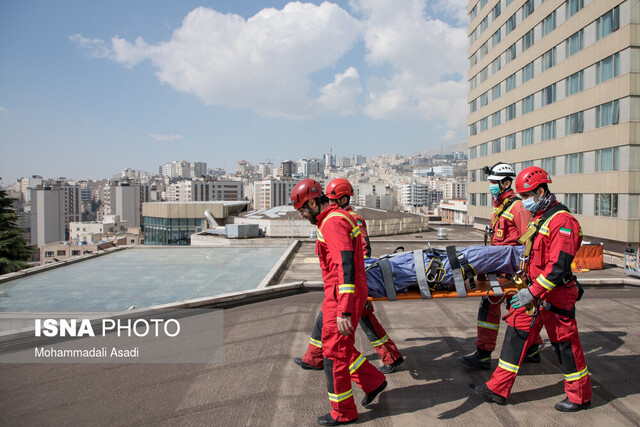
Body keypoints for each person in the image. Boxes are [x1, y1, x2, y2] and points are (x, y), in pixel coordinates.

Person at [470, 166, 592, 412]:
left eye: (526, 197)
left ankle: (580, 396)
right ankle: (497, 389)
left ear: (541, 191)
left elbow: (558, 268)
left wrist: (532, 292)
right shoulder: (541, 217)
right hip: (534, 292)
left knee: (565, 345)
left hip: (554, 294)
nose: (523, 202)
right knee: (515, 334)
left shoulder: (563, 222)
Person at [291, 179, 387, 426]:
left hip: (342, 297)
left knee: (334, 355)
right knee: (334, 347)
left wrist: (344, 309)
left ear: (313, 201)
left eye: (303, 209)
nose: (302, 215)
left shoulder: (332, 224)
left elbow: (345, 266)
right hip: (340, 294)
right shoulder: (336, 218)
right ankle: (373, 381)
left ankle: (343, 412)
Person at [294, 178, 404, 374]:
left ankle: (390, 356)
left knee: (363, 324)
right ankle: (314, 357)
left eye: (335, 199)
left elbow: (362, 251)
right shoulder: (336, 217)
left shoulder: (348, 219)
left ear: (345, 198)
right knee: (329, 321)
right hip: (345, 284)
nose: (332, 202)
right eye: (330, 199)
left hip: (352, 283)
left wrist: (356, 282)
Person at [458, 163, 542, 370]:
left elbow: (528, 241)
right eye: (491, 183)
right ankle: (529, 350)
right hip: (500, 268)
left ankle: (489, 353)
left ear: (506, 182)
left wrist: (525, 273)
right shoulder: (501, 206)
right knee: (505, 308)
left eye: (495, 183)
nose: (492, 186)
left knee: (511, 308)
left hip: (513, 271)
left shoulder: (518, 207)